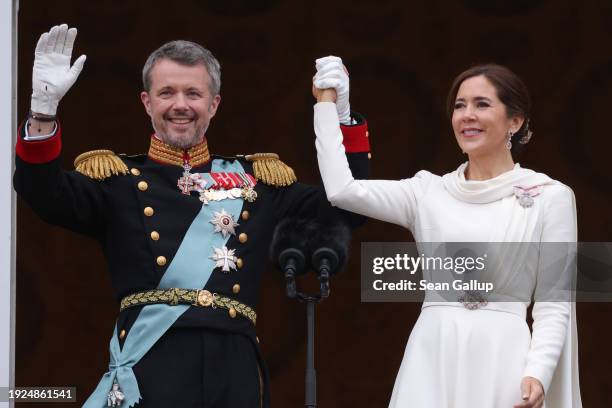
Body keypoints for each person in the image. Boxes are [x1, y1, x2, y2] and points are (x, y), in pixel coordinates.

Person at [14, 25, 371, 407]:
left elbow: (349, 207)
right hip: (151, 369)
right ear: (147, 102)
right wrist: (42, 112)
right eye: (166, 92)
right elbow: (43, 193)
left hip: (233, 374)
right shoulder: (116, 181)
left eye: (193, 93)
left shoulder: (260, 181)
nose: (180, 105)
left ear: (214, 104)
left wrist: (343, 118)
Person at [311, 60, 581, 407]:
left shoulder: (550, 196)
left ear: (515, 121)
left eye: (482, 104)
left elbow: (553, 304)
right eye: (459, 106)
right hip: (432, 352)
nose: (467, 115)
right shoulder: (427, 192)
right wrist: (331, 108)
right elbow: (342, 190)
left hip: (504, 357)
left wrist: (538, 372)